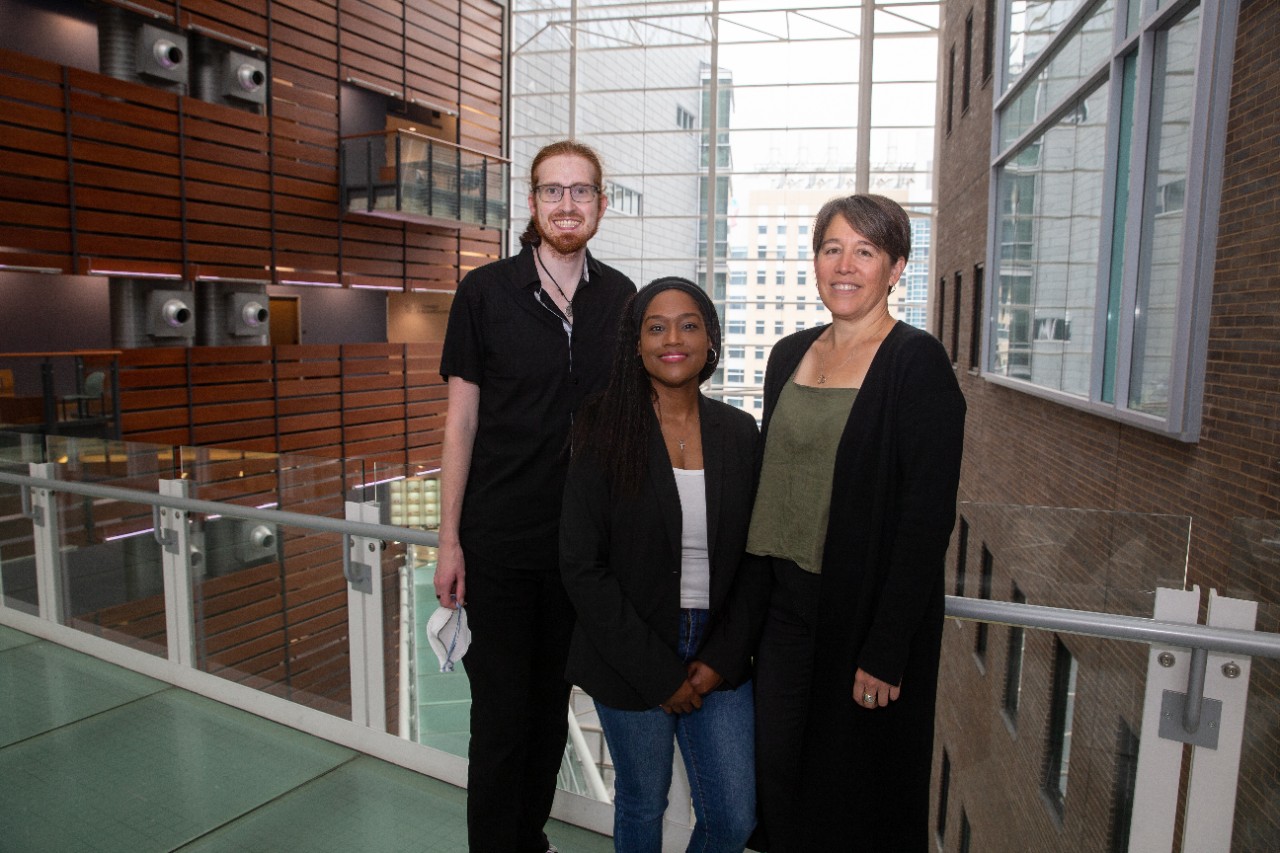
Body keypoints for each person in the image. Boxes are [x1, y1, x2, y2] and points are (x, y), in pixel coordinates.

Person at [748, 194, 965, 851]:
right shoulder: (787, 355)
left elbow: (927, 517)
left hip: (864, 618)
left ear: (896, 267)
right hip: (783, 611)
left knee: (855, 798)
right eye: (831, 248)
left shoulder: (916, 363)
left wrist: (887, 646)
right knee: (778, 780)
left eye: (865, 251)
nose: (845, 265)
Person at [437, 139, 636, 853]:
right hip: (498, 542)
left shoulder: (621, 300)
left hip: (581, 553)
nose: (567, 204)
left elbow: (632, 424)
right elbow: (460, 423)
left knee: (551, 713)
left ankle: (527, 838)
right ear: (531, 203)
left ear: (601, 204)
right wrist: (448, 539)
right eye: (553, 191)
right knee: (499, 718)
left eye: (581, 191)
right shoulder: (484, 293)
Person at [560, 278, 769, 853]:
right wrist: (660, 674)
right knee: (642, 803)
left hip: (718, 651)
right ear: (635, 343)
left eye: (688, 324)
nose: (672, 338)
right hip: (629, 649)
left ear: (710, 339)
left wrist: (723, 657)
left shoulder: (739, 432)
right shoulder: (601, 424)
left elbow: (757, 558)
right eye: (656, 327)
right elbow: (582, 565)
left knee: (732, 819)